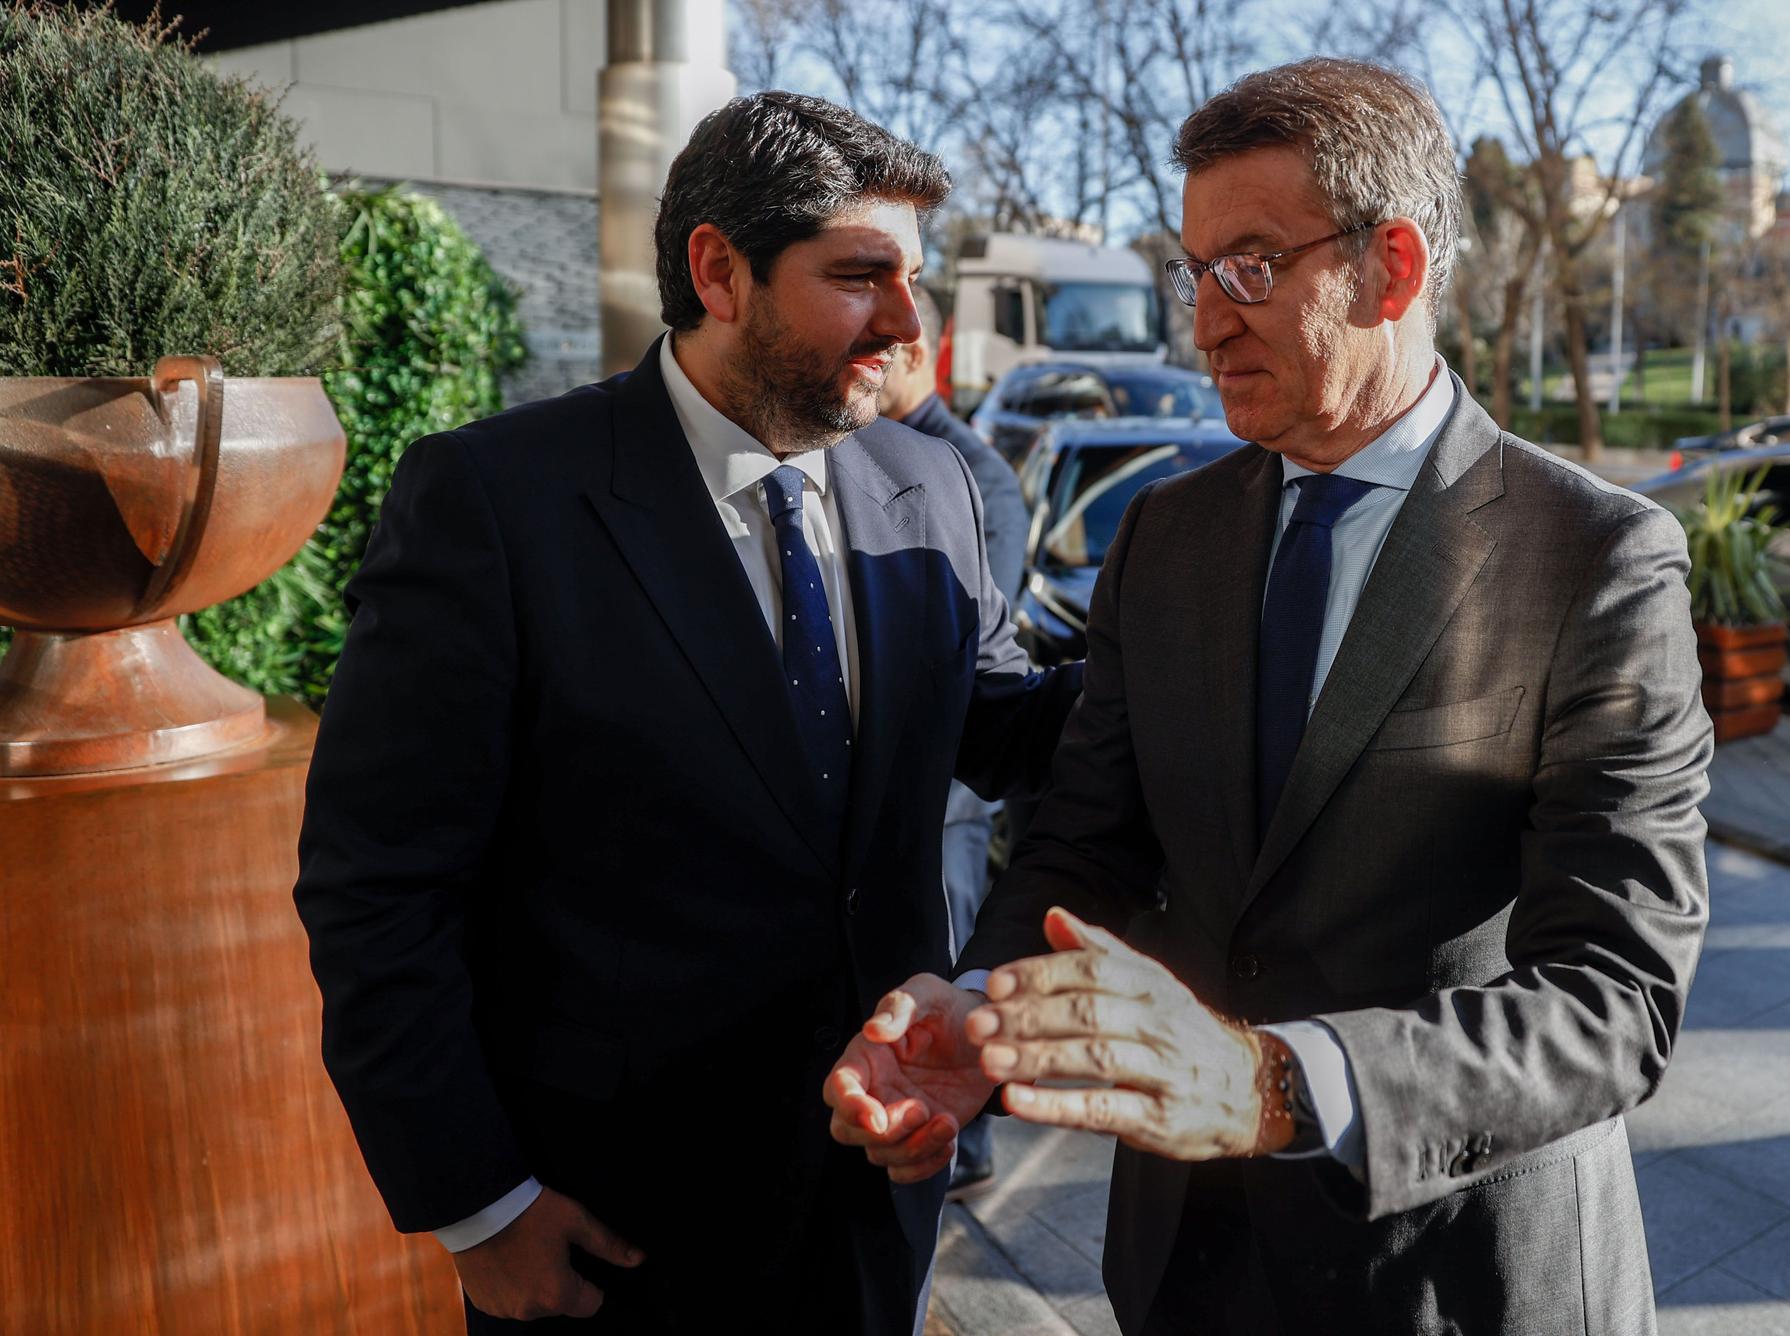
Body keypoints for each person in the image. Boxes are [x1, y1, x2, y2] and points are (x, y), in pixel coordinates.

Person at [828, 57, 1712, 1335]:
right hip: (1184, 1268)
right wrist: (979, 1019)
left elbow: (1610, 1000)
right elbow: (1086, 840)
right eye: (1193, 272)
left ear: (1391, 269)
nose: (1204, 323)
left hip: (1454, 1281)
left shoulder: (1596, 558)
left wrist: (1271, 1085)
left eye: (1249, 266)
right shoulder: (1164, 535)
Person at [294, 91, 1080, 1335]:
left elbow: (1000, 726)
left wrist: (1198, 613)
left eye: (913, 276)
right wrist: (477, 1205)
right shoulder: (498, 501)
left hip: (879, 1187)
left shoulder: (931, 484)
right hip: (609, 1233)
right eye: (861, 275)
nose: (907, 321)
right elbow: (375, 884)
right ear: (720, 269)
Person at [876, 286, 1030, 1201]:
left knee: (946, 960)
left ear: (924, 352)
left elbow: (972, 643)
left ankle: (961, 1152)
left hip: (952, 798)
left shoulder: (973, 472)